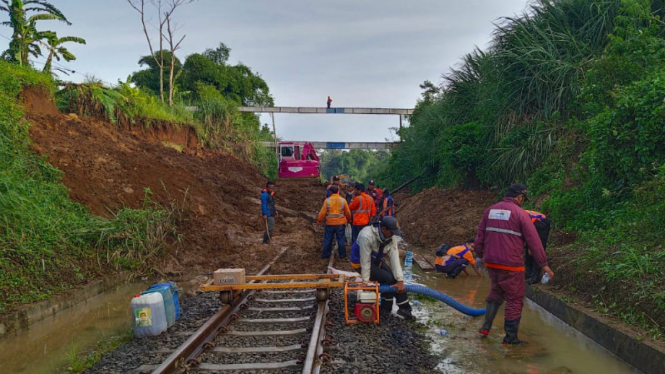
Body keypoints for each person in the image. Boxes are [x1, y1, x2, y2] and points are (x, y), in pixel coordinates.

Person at [474, 183, 554, 345]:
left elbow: (480, 237)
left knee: (495, 293)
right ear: (519, 197)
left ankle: (485, 328)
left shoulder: (490, 211)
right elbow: (534, 241)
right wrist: (543, 264)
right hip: (511, 265)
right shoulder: (521, 214)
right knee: (514, 299)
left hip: (492, 263)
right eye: (523, 199)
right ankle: (510, 338)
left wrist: (480, 256)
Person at [352, 216, 414, 320]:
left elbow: (395, 259)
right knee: (388, 279)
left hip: (376, 261)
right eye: (392, 232)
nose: (393, 235)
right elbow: (365, 262)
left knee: (394, 279)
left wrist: (400, 280)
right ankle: (387, 310)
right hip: (360, 263)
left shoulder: (391, 238)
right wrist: (365, 282)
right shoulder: (366, 236)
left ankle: (403, 310)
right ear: (383, 229)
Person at [317, 185, 352, 259]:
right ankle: (342, 255)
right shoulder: (343, 200)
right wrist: (349, 220)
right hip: (340, 223)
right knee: (341, 239)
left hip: (330, 223)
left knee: (328, 239)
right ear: (338, 191)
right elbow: (348, 212)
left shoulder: (327, 200)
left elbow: (322, 213)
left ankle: (325, 255)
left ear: (331, 192)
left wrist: (319, 222)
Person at [524, 210, 551, 285]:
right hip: (533, 223)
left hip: (541, 223)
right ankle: (528, 273)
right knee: (528, 249)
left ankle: (535, 276)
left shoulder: (516, 217)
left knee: (536, 250)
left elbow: (528, 233)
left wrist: (530, 246)